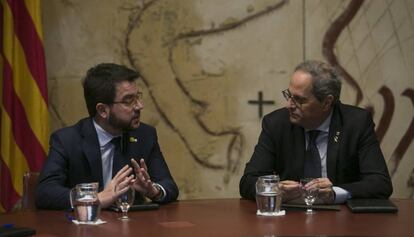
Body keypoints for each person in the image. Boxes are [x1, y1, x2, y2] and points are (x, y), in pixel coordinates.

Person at [239, 60, 392, 204]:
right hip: (290, 220)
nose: (289, 105)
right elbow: (248, 182)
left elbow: (380, 183)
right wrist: (274, 189)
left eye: (299, 100)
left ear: (326, 102)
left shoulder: (356, 123)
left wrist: (335, 193)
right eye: (289, 95)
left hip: (342, 221)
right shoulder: (277, 124)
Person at [36, 63, 179, 209]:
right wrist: (93, 198)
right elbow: (45, 192)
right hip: (86, 227)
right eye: (129, 100)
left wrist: (154, 191)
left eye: (138, 97)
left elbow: (169, 186)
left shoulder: (145, 135)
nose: (139, 106)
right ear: (103, 110)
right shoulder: (67, 140)